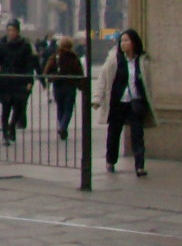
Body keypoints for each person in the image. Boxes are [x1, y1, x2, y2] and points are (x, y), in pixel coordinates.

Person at [92, 28, 157, 176]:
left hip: (135, 102)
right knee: (114, 133)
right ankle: (110, 161)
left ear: (134, 42)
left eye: (126, 40)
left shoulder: (142, 61)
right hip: (117, 102)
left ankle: (140, 166)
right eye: (121, 40)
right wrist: (97, 98)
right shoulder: (113, 60)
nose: (123, 43)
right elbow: (103, 79)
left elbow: (148, 83)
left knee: (137, 134)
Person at [0, 19, 37, 145]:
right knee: (6, 108)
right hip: (5, 81)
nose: (11, 33)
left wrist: (29, 80)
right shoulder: (0, 44)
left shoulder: (25, 45)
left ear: (18, 31)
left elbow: (29, 65)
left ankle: (12, 126)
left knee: (19, 107)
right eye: (9, 30)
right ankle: (5, 133)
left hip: (19, 80)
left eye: (13, 30)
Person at [43, 36, 84, 141]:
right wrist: (81, 86)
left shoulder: (55, 57)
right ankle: (63, 127)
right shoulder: (74, 57)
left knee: (60, 107)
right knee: (68, 109)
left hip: (58, 85)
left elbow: (46, 71)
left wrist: (52, 77)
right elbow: (79, 72)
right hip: (70, 86)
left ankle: (61, 125)